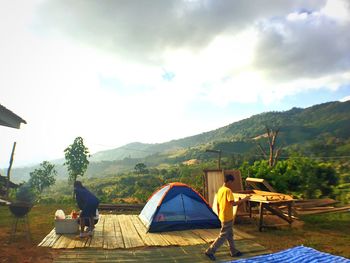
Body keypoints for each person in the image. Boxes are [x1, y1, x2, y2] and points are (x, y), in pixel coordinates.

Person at [205, 174, 250, 261]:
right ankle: (210, 251)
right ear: (229, 181)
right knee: (223, 236)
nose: (231, 184)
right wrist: (245, 199)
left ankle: (233, 251)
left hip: (222, 215)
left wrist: (218, 214)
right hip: (227, 217)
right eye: (231, 182)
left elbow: (217, 204)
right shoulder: (228, 191)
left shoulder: (220, 190)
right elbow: (233, 204)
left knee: (230, 235)